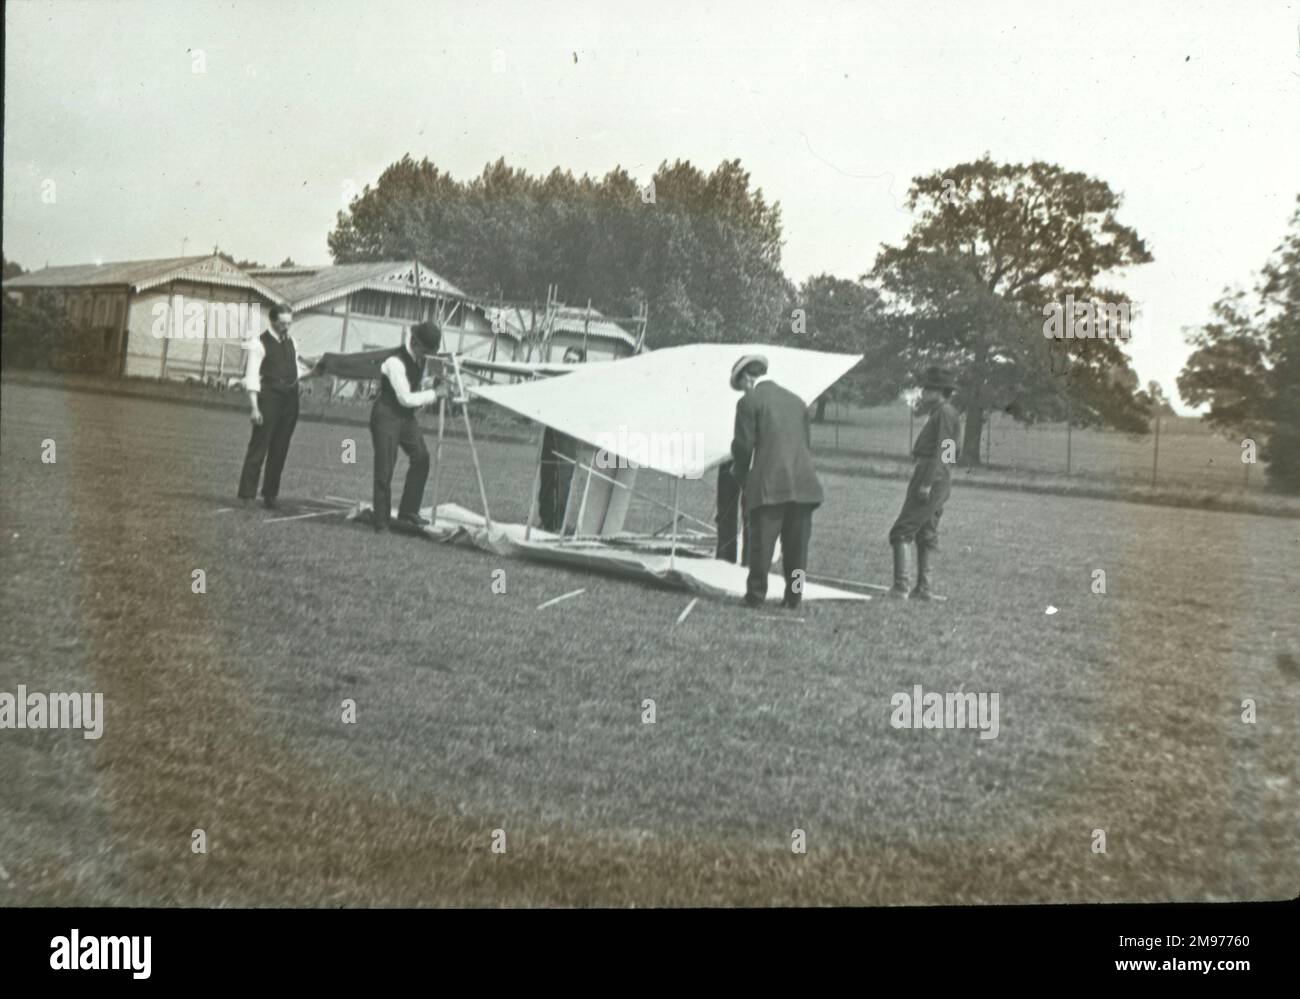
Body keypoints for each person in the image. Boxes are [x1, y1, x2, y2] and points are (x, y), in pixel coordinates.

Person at [728, 354, 824, 609]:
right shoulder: (797, 401)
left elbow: (743, 446)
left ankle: (755, 596)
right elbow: (805, 443)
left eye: (742, 385)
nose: (743, 390)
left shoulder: (749, 402)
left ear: (747, 378)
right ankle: (794, 598)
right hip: (804, 483)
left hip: (769, 484)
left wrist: (740, 474)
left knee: (762, 545)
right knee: (797, 548)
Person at [888, 365, 961, 600]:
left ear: (939, 391)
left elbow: (945, 453)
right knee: (926, 532)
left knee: (902, 530)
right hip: (937, 476)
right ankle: (923, 589)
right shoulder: (943, 412)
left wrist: (928, 483)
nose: (924, 393)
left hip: (931, 475)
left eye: (928, 389)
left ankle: (901, 587)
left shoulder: (945, 413)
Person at [370, 321, 443, 533]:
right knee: (385, 467)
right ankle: (381, 521)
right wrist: (434, 395)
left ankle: (408, 511)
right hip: (387, 415)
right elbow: (405, 398)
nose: (426, 356)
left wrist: (433, 383)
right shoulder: (395, 362)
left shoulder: (419, 360)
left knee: (421, 457)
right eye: (425, 351)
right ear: (415, 343)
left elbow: (416, 384)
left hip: (405, 418)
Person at [237, 304, 302, 510]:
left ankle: (270, 495)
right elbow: (252, 376)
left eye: (289, 323)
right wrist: (255, 408)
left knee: (280, 449)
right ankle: (248, 495)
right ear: (272, 321)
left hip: (290, 400)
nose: (286, 327)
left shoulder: (292, 342)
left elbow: (296, 369)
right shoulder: (258, 343)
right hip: (269, 398)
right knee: (259, 447)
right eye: (283, 323)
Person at [537, 346, 586, 533]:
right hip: (552, 431)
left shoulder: (581, 383)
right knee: (547, 473)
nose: (570, 364)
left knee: (563, 478)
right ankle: (545, 519)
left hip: (568, 433)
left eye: (574, 361)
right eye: (568, 360)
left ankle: (557, 523)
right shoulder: (554, 379)